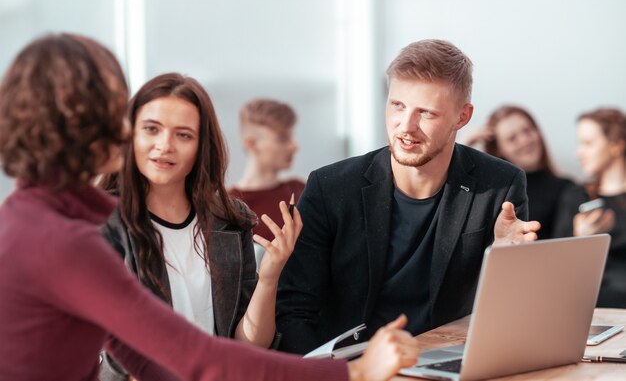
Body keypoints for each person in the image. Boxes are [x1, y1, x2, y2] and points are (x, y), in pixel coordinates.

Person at [0, 33, 420, 381]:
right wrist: (357, 373)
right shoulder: (62, 241)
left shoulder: (30, 220)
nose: (125, 128)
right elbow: (196, 356)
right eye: (118, 111)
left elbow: (143, 357)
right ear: (82, 124)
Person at [276, 39, 541, 354]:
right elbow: (293, 310)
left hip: (448, 364)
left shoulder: (500, 185)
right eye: (397, 105)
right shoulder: (330, 187)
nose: (406, 126)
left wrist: (504, 261)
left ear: (462, 117)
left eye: (426, 112)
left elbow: (512, 315)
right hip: (353, 369)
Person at [97, 75, 296, 379]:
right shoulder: (101, 222)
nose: (165, 146)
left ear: (201, 146)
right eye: (152, 129)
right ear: (130, 136)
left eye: (183, 135)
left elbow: (248, 343)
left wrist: (270, 277)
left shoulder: (231, 220)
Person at [463, 105, 574, 239]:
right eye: (512, 138)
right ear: (499, 149)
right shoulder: (492, 192)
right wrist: (464, 144)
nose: (524, 140)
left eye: (527, 131)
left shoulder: (567, 188)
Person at [553, 108, 626, 307]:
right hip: (592, 307)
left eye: (588, 144)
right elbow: (557, 268)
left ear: (616, 145)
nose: (579, 152)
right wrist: (580, 238)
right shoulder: (575, 196)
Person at [229, 98, 305, 265]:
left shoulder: (302, 191)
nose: (294, 146)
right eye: (283, 139)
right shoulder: (226, 205)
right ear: (252, 143)